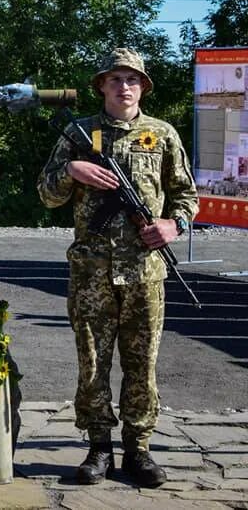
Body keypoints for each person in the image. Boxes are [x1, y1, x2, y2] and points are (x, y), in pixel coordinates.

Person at [38, 48, 198, 489]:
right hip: (92, 275)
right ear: (102, 86)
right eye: (115, 79)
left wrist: (173, 224)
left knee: (142, 364)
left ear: (143, 86)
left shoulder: (161, 134)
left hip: (145, 273)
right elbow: (47, 195)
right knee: (92, 364)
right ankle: (99, 446)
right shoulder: (79, 134)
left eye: (132, 79)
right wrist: (72, 170)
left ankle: (139, 449)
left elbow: (187, 195)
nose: (123, 87)